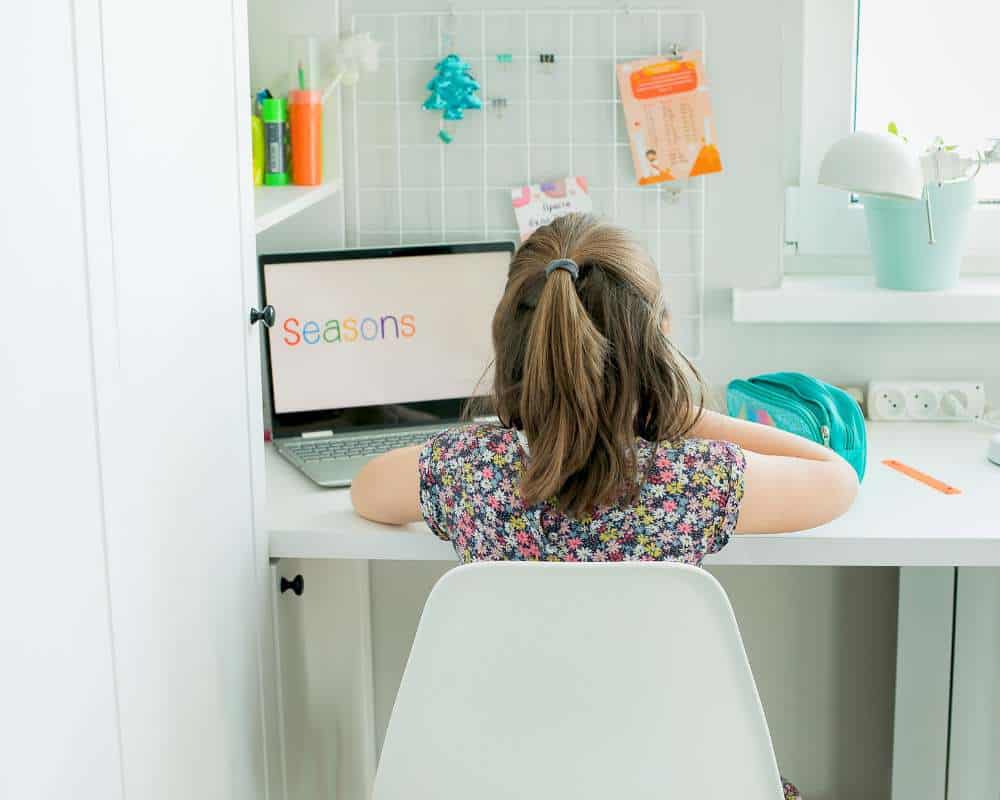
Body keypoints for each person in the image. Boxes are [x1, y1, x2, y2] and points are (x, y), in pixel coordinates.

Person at [351, 214, 857, 799]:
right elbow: (836, 477)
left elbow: (368, 490)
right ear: (658, 340)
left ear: (515, 342)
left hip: (506, 780)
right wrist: (680, 415)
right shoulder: (694, 480)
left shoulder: (471, 471)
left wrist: (524, 418)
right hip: (662, 781)